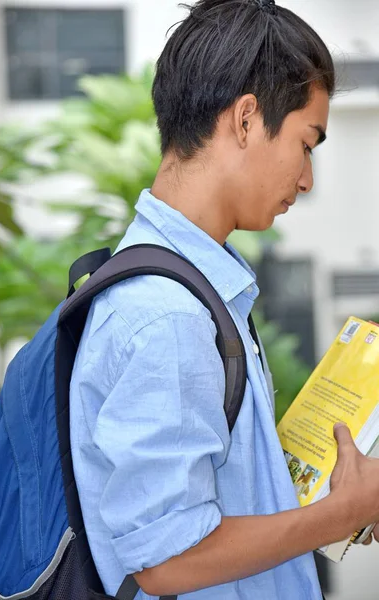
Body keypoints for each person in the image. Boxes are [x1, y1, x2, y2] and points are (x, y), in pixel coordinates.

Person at [70, 1, 379, 598]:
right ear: (244, 120)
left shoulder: (185, 287)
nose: (308, 178)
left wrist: (328, 500)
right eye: (306, 143)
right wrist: (339, 514)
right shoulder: (170, 315)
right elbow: (169, 559)